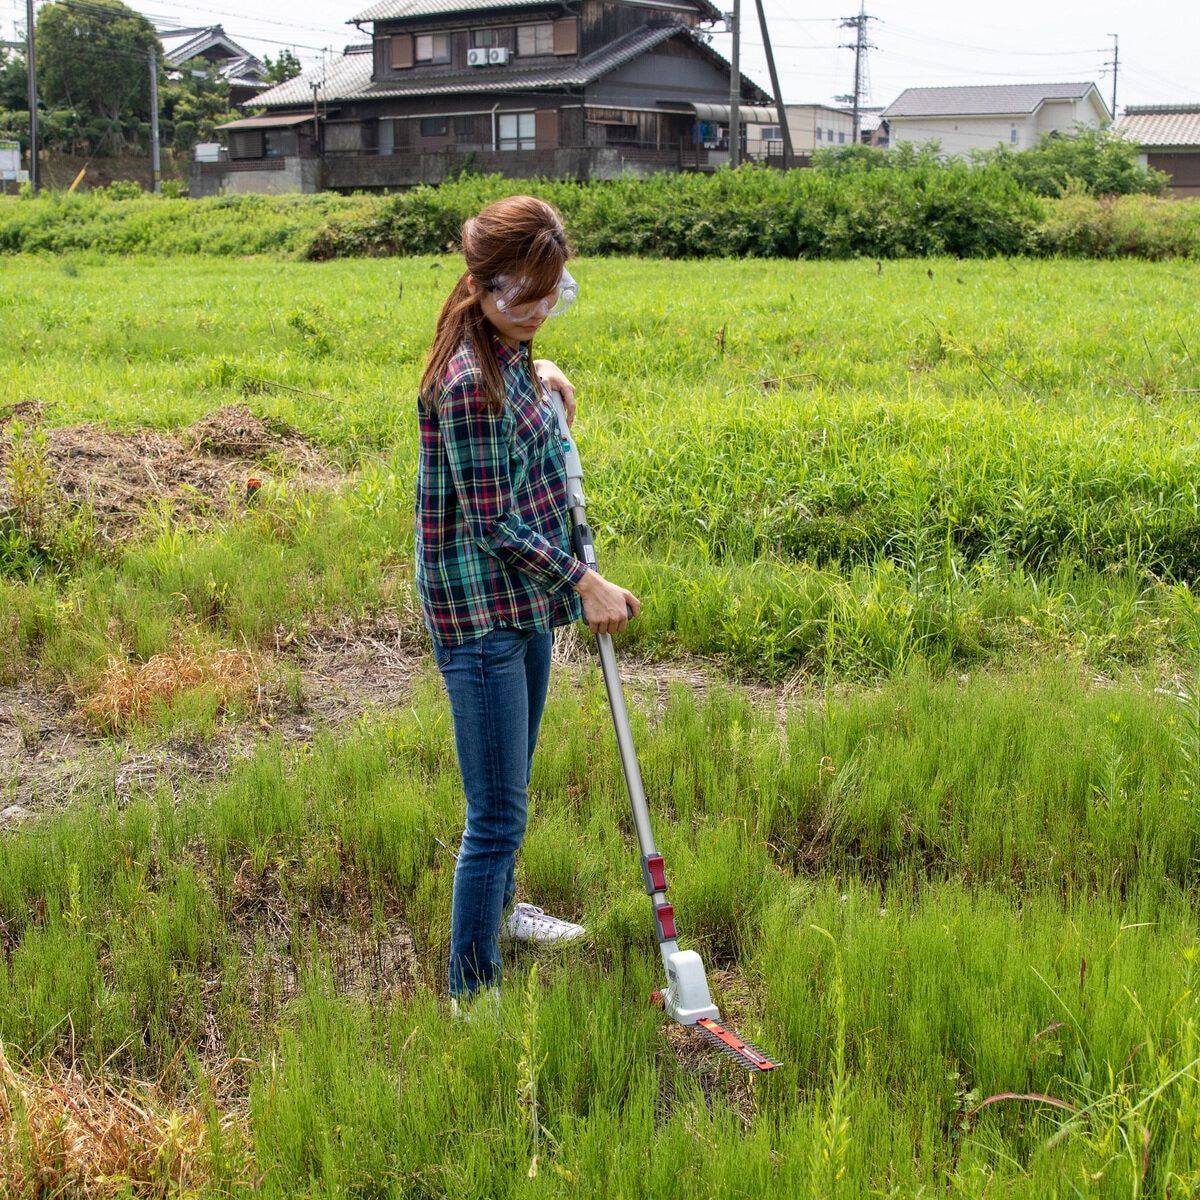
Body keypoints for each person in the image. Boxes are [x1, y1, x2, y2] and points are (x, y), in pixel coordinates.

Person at [416, 195, 640, 1014]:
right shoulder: (470, 382)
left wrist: (537, 370)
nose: (542, 312)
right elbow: (493, 524)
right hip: (481, 616)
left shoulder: (505, 351)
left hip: (521, 605)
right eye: (527, 300)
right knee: (496, 815)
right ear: (483, 288)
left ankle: (506, 916)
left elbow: (516, 385)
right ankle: (470, 995)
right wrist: (585, 583)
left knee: (512, 786)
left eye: (553, 294)